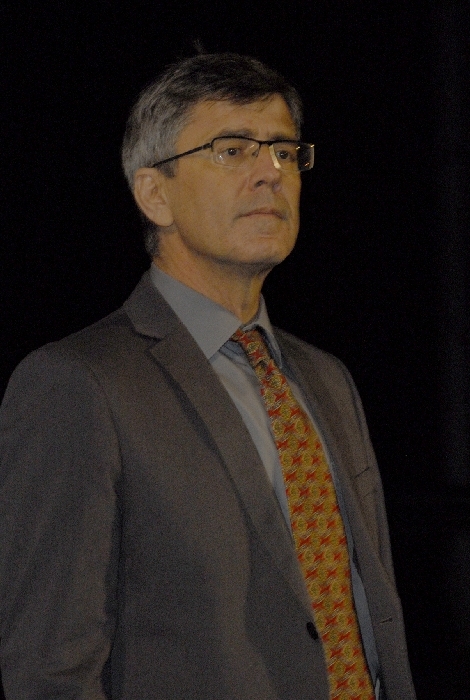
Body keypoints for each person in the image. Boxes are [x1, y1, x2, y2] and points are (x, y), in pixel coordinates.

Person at [0, 53, 415, 700]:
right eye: (232, 150)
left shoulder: (327, 379)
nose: (270, 173)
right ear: (154, 194)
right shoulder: (78, 385)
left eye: (284, 151)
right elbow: (50, 671)